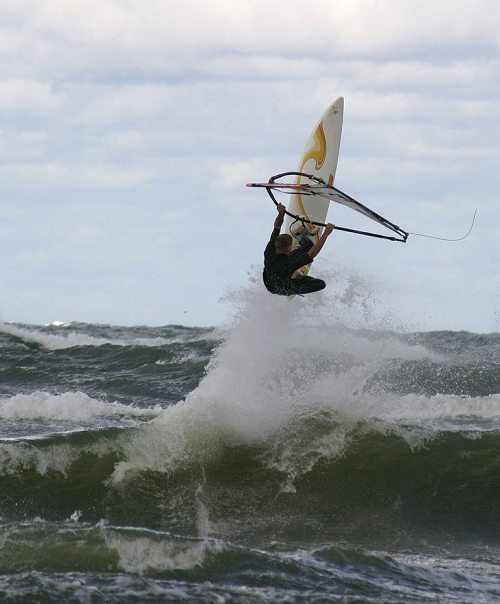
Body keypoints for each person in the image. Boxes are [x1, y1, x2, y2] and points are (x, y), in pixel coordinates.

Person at [263, 203, 335, 296]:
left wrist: (281, 213)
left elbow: (277, 226)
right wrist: (326, 234)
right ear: (289, 248)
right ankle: (295, 275)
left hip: (269, 282)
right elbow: (312, 253)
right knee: (320, 284)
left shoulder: (269, 251)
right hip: (283, 287)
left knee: (309, 247)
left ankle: (295, 274)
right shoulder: (289, 263)